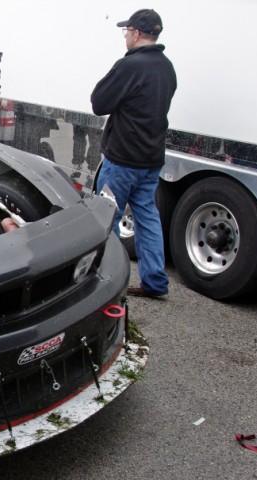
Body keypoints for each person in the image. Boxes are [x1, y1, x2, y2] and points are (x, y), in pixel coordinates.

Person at [91, 9, 177, 299]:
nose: (125, 35)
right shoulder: (167, 67)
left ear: (138, 33)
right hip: (151, 160)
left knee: (106, 218)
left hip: (122, 161)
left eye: (127, 30)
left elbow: (99, 102)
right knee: (148, 218)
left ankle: (106, 281)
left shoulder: (129, 66)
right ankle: (155, 282)